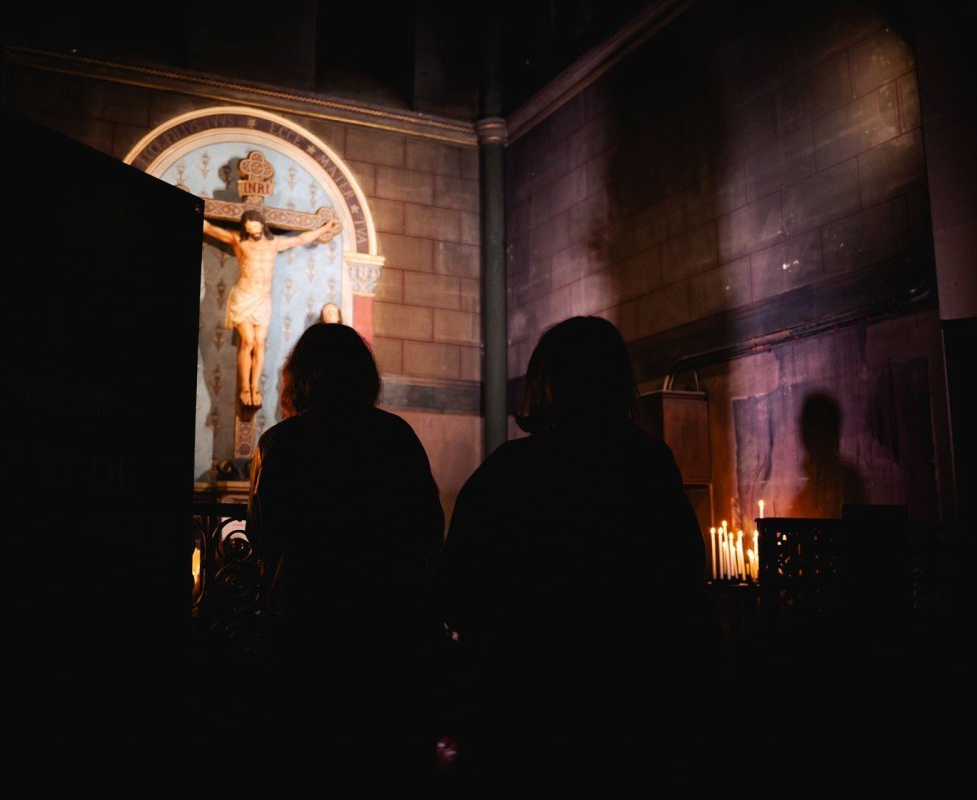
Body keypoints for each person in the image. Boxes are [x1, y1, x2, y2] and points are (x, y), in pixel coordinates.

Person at [434, 316, 712, 783]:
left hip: (525, 714)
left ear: (546, 383)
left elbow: (456, 593)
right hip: (633, 713)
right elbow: (684, 581)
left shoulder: (510, 472)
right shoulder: (647, 462)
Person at [247, 323, 445, 780]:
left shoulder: (282, 443)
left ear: (300, 378)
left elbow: (265, 533)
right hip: (391, 632)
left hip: (307, 628)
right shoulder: (395, 436)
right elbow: (428, 528)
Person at [202, 210, 342, 408]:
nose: (254, 232)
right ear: (245, 229)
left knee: (259, 343)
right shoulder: (239, 241)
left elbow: (301, 239)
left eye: (256, 227)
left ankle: (255, 386)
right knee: (248, 341)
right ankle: (244, 387)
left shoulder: (273, 243)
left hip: (262, 299)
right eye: (249, 229)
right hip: (243, 296)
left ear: (262, 225)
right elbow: (210, 229)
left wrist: (324, 228)